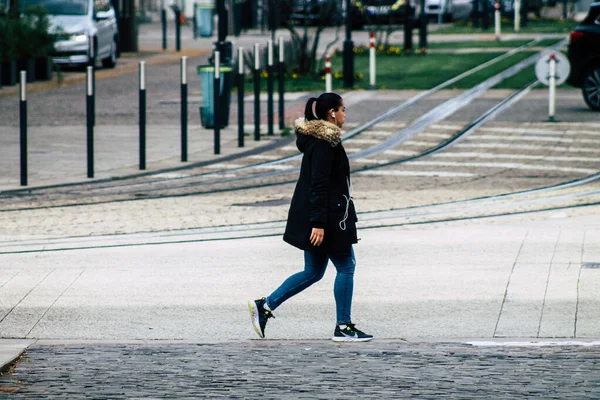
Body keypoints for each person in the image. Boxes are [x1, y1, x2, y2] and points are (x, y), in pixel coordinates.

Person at [248, 92, 373, 342]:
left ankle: (265, 305)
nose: (345, 114)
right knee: (346, 267)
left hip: (325, 215)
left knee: (313, 271)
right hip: (329, 218)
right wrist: (318, 224)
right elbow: (319, 185)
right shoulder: (325, 144)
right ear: (332, 114)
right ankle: (344, 326)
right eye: (343, 110)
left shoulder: (318, 141)